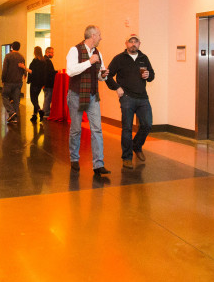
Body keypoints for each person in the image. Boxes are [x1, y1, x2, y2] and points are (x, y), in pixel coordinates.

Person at [106, 34, 155, 168]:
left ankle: (137, 146)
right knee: (127, 128)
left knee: (147, 124)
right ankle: (127, 157)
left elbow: (151, 75)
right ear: (126, 43)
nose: (133, 44)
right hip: (127, 98)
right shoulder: (119, 58)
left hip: (142, 97)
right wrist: (117, 87)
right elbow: (108, 75)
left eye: (136, 42)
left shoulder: (144, 58)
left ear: (139, 44)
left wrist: (148, 75)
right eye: (130, 42)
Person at [66, 25, 110, 176]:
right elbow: (70, 71)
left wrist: (103, 74)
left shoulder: (98, 53)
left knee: (97, 129)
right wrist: (89, 62)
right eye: (99, 35)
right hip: (76, 95)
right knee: (76, 129)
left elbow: (99, 76)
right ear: (92, 36)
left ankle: (98, 164)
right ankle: (74, 158)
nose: (101, 38)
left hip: (92, 95)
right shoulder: (75, 50)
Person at [1, 41, 26, 123]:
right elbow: (23, 68)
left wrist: (3, 79)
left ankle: (11, 112)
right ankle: (14, 118)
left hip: (9, 81)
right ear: (19, 48)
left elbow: (5, 69)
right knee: (16, 99)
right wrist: (25, 74)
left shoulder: (8, 56)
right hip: (18, 82)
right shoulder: (21, 57)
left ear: (12, 47)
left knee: (4, 96)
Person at [25, 46, 46, 123]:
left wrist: (24, 68)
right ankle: (34, 115)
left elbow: (32, 72)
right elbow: (44, 74)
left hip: (34, 82)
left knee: (33, 99)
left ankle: (40, 111)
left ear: (35, 52)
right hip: (40, 83)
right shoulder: (43, 61)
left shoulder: (35, 61)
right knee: (36, 98)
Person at [42, 46, 57, 118]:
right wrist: (57, 72)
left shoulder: (43, 60)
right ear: (47, 53)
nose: (53, 54)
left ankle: (44, 110)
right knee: (48, 98)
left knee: (46, 97)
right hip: (48, 83)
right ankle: (46, 112)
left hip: (45, 83)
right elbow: (50, 72)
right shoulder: (47, 61)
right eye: (52, 53)